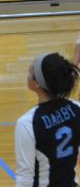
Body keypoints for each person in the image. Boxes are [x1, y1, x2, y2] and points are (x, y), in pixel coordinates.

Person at [14, 52, 80, 187]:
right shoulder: (76, 108)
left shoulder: (28, 123)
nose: (27, 75)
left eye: (30, 72)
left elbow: (25, 177)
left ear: (37, 83)